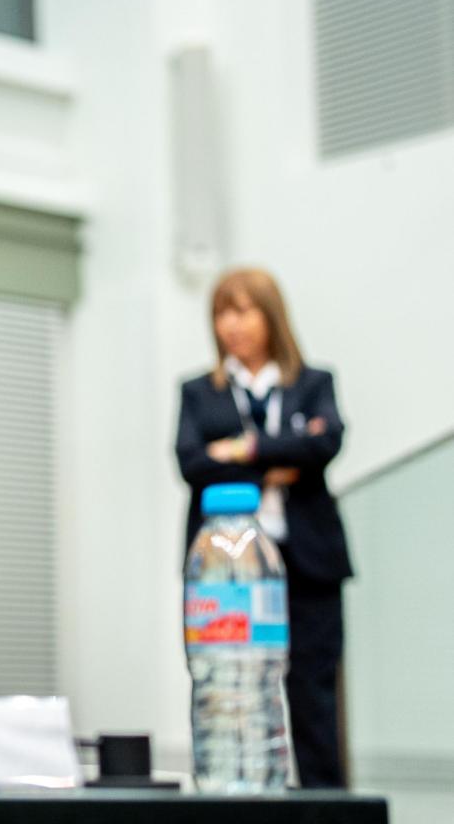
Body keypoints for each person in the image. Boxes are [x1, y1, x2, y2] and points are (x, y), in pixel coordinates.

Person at [175, 267, 351, 788]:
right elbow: (192, 463)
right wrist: (280, 457)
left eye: (243, 311)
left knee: (314, 698)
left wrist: (239, 449)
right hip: (225, 573)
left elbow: (324, 444)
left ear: (271, 316)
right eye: (222, 313)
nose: (232, 324)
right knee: (233, 695)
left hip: (308, 564)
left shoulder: (313, 384)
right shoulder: (198, 393)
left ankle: (325, 807)